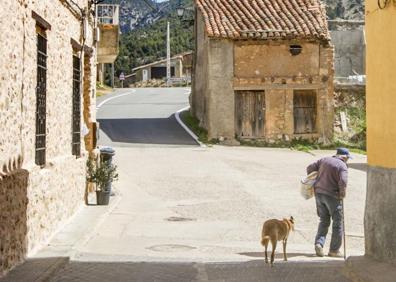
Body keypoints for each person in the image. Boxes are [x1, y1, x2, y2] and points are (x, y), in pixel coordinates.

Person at [307, 148, 351, 257]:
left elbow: (309, 168)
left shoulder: (324, 159)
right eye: (348, 158)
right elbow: (343, 181)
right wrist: (342, 194)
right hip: (332, 195)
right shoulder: (342, 166)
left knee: (323, 220)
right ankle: (334, 250)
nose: (348, 160)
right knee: (338, 222)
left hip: (319, 193)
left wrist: (315, 178)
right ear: (344, 157)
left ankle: (319, 243)